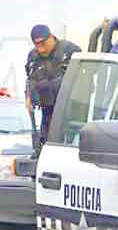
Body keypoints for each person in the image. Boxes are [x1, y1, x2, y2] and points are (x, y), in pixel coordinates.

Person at [25, 24, 81, 152]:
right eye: (36, 45)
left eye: (42, 44)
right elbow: (30, 78)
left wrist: (41, 87)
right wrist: (28, 95)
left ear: (50, 37)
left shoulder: (70, 51)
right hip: (47, 111)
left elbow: (73, 82)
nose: (40, 49)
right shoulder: (33, 56)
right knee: (46, 146)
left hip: (72, 111)